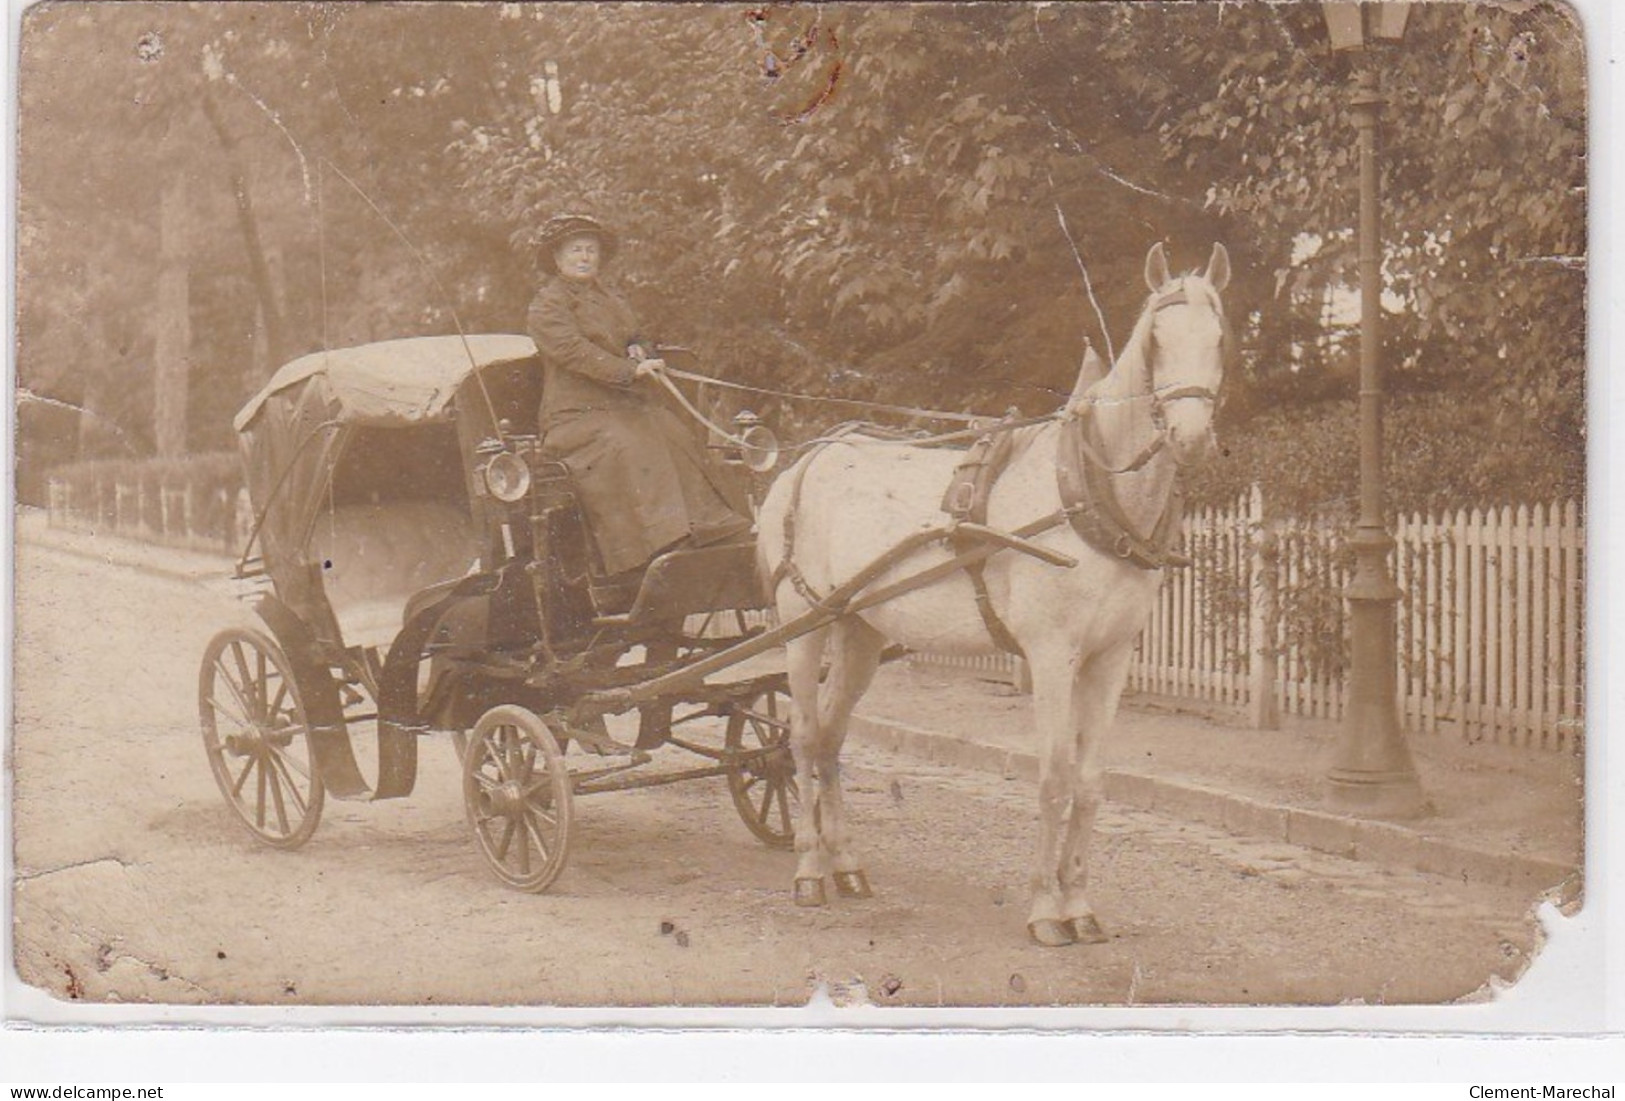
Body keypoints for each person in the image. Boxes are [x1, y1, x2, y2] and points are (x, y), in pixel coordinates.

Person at [525, 213, 752, 601]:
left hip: (620, 408)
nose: (585, 258)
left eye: (591, 251)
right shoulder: (547, 306)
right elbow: (574, 352)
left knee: (671, 429)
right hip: (575, 418)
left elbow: (636, 335)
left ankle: (709, 526)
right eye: (576, 250)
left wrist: (641, 351)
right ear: (557, 258)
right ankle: (661, 539)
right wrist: (630, 370)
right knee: (629, 440)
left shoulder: (611, 297)